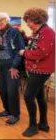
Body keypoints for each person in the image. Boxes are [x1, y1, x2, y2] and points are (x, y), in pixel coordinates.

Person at [19, 8, 55, 137]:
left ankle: (33, 126)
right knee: (39, 96)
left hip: (41, 70)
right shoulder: (37, 32)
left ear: (35, 19)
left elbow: (41, 52)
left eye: (28, 21)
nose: (27, 24)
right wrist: (23, 35)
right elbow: (32, 42)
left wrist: (25, 53)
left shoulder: (48, 32)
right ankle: (44, 124)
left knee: (28, 96)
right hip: (35, 69)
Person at [0, 12, 25, 125]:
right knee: (2, 90)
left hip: (12, 67)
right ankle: (7, 110)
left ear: (7, 20)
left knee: (12, 91)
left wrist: (15, 66)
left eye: (0, 20)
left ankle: (15, 114)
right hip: (2, 67)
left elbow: (20, 51)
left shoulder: (14, 32)